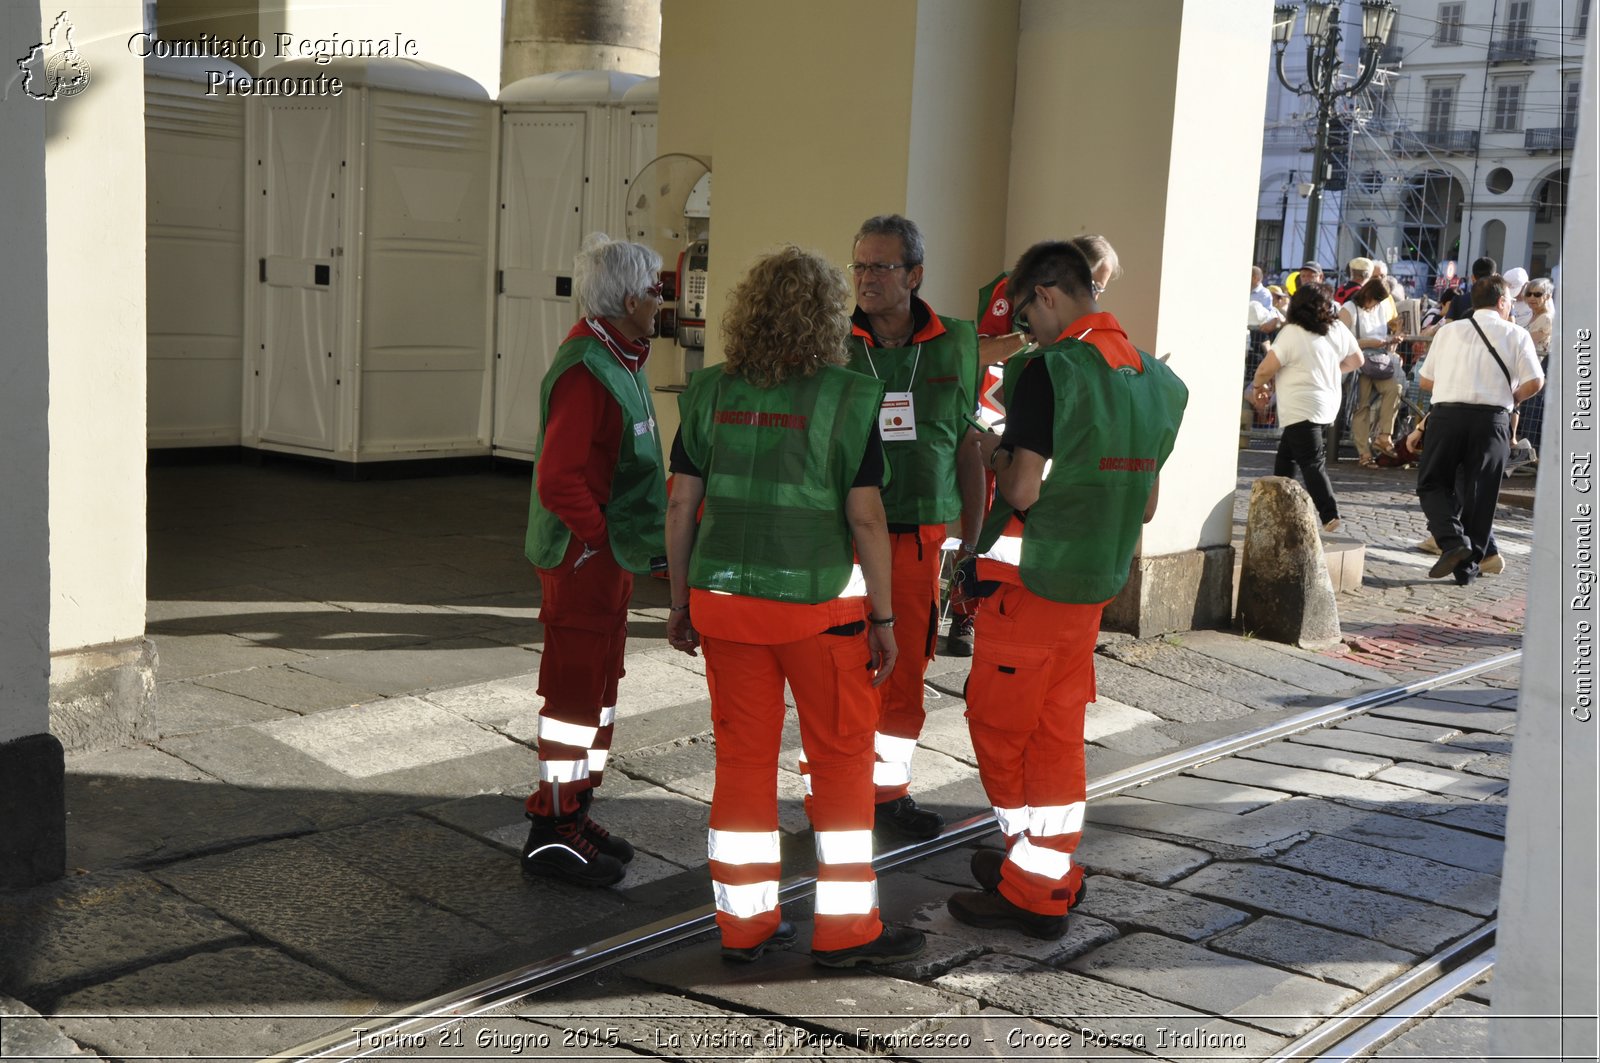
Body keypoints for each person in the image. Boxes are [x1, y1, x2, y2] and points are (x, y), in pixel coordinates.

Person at [663, 246, 926, 968]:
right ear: (823, 318)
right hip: (819, 615)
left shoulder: (710, 390)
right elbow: (867, 520)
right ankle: (846, 932)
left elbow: (682, 504)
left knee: (742, 765)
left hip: (725, 608)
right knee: (841, 765)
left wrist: (680, 598)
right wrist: (884, 617)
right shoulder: (846, 396)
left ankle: (743, 924)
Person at [950, 240, 1187, 938]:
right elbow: (1144, 507)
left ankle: (1031, 879)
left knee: (999, 729)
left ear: (1047, 294)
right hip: (1090, 587)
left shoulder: (1049, 372)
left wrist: (993, 451)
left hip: (1028, 585)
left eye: (1025, 317)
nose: (1027, 332)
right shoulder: (1155, 379)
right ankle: (1047, 871)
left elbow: (1021, 487)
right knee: (1056, 737)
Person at [521, 233, 668, 887]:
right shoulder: (588, 368)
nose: (663, 300)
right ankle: (551, 828)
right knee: (573, 702)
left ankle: (577, 805)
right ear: (629, 298)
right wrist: (598, 538)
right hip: (585, 561)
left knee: (600, 694)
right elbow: (558, 479)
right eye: (657, 289)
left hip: (607, 560)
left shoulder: (621, 356)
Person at [840, 214, 985, 841]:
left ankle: (888, 790)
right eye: (861, 266)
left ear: (915, 274)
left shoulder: (956, 342)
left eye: (881, 266)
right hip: (841, 533)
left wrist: (973, 540)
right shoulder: (834, 341)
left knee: (903, 670)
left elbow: (968, 447)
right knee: (840, 667)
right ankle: (837, 787)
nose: (867, 279)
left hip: (918, 538)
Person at [956, 234, 1121, 658]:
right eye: (1094, 285)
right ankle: (965, 603)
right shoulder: (1054, 352)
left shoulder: (1079, 356)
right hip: (998, 412)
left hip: (1050, 582)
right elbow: (973, 352)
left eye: (1100, 289)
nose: (1097, 297)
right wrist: (1029, 341)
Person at [1416, 274, 1544, 584]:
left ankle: (1452, 540)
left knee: (1432, 483)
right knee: (1480, 494)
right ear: (1502, 302)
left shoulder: (1448, 332)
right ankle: (1467, 569)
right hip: (1492, 419)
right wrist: (1509, 397)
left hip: (1447, 415)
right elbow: (1535, 381)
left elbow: (1425, 381)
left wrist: (1457, 382)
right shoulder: (1516, 334)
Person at [1250, 283, 1364, 531]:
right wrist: (1333, 370)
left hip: (1302, 405)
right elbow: (1357, 359)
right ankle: (1280, 508)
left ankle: (1329, 514)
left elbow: (1266, 367)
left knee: (1312, 461)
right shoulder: (1337, 329)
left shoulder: (1293, 332)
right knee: (1286, 457)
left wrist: (1259, 386)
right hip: (1325, 404)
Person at [1339, 277, 1404, 467]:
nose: (1376, 304)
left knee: (1394, 389)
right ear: (1368, 294)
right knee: (1362, 406)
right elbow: (1342, 342)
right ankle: (1363, 454)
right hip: (1358, 362)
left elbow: (1380, 337)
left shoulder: (1380, 309)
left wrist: (1391, 340)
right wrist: (1369, 343)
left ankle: (1384, 436)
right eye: (1376, 299)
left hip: (1378, 359)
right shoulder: (1349, 309)